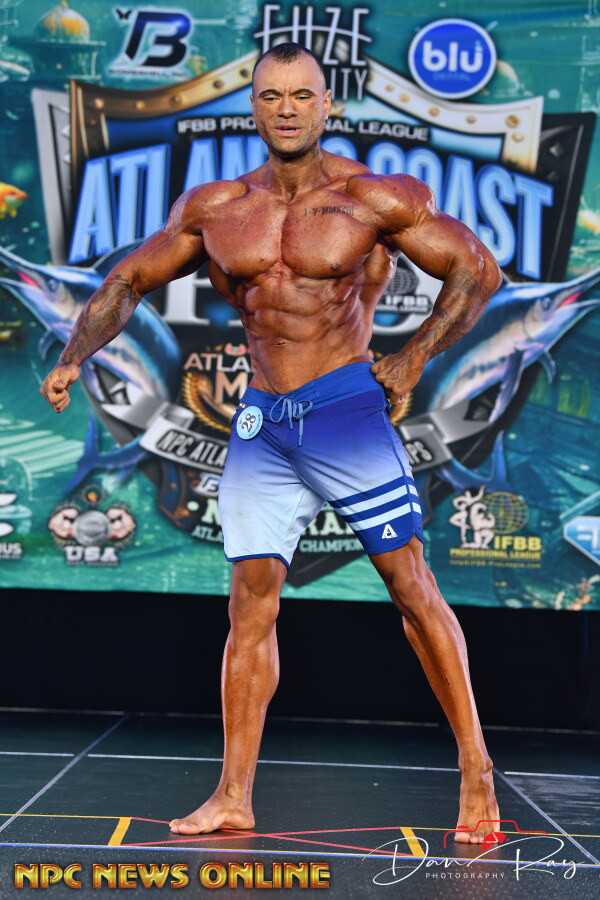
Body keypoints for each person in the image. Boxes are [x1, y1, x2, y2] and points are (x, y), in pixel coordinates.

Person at [40, 43, 503, 843]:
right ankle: (233, 795)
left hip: (346, 409)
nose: (286, 109)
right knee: (249, 605)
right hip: (261, 421)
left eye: (301, 96)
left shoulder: (371, 198)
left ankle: (476, 768)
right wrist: (75, 356)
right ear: (253, 107)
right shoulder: (217, 207)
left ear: (327, 106)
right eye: (271, 96)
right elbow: (128, 281)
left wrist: (415, 355)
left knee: (409, 586)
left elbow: (478, 270)